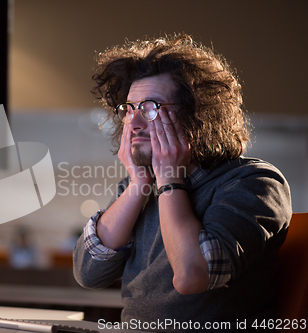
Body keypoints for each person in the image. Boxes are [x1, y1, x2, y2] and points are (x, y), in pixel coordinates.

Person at [73, 33, 292, 331]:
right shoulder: (140, 186)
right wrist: (139, 185)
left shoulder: (254, 182)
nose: (133, 122)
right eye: (129, 108)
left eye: (150, 108)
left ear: (197, 117)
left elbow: (191, 276)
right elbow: (88, 273)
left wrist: (169, 179)